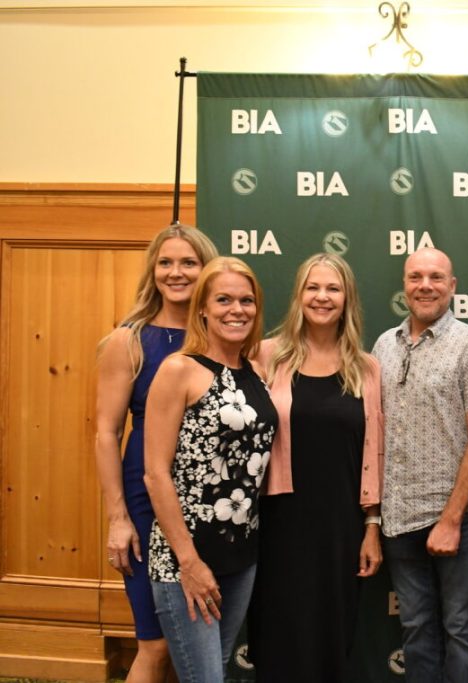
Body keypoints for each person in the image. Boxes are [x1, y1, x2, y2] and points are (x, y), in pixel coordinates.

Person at [249, 253, 384, 681]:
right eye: (313, 287)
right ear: (298, 296)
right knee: (278, 630)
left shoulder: (367, 369)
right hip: (277, 521)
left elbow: (376, 453)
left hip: (341, 527)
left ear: (347, 299)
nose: (322, 297)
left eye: (333, 288)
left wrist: (371, 525)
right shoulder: (265, 357)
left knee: (332, 632)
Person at [143, 257, 277, 683]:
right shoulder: (179, 369)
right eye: (223, 300)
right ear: (202, 307)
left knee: (212, 670)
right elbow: (155, 474)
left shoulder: (255, 371)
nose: (236, 310)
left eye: (246, 301)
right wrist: (189, 562)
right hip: (186, 558)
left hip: (241, 556)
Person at [94, 223, 217, 682]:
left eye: (188, 262)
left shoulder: (222, 338)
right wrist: (118, 518)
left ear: (206, 270)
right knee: (157, 641)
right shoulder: (130, 339)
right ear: (152, 270)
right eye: (166, 262)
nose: (176, 272)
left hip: (211, 506)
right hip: (147, 500)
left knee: (200, 637)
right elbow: (106, 433)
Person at [372, 247, 468, 682]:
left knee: (462, 629)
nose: (425, 285)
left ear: (453, 286)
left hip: (454, 519)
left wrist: (452, 518)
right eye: (416, 277)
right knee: (415, 628)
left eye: (436, 277)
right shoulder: (384, 345)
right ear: (404, 285)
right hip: (398, 518)